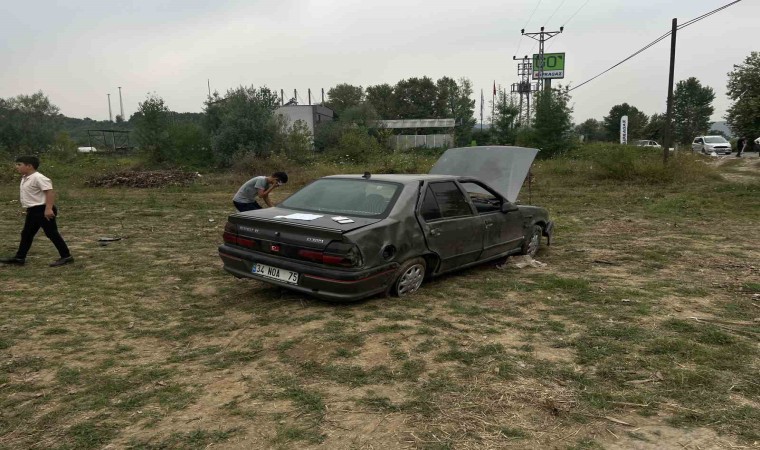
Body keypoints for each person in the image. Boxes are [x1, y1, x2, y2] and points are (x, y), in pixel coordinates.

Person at [1, 155, 73, 267]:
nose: (17, 167)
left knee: (51, 233)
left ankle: (66, 256)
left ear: (29, 166)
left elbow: (49, 192)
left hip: (42, 209)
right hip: (33, 211)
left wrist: (48, 209)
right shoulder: (26, 177)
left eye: (19, 164)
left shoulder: (38, 177)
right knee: (26, 234)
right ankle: (20, 258)